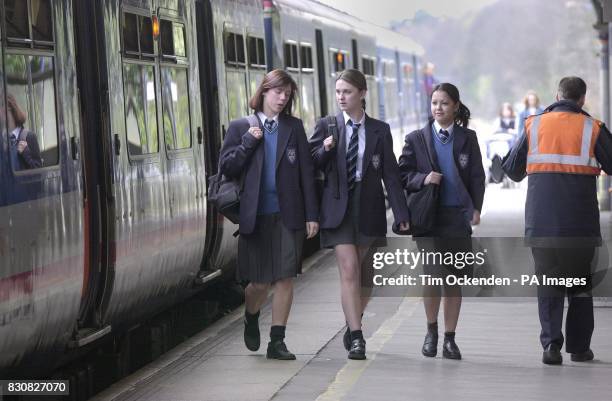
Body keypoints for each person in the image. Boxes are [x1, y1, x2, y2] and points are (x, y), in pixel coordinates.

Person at [503, 76, 612, 365]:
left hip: (542, 221)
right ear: (582, 99)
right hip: (580, 223)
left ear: (557, 95)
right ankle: (579, 348)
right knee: (579, 284)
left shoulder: (534, 124)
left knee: (549, 282)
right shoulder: (593, 127)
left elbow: (512, 171)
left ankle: (551, 346)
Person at [219, 69, 319, 360]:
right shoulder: (240, 127)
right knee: (259, 283)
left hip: (288, 216)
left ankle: (277, 341)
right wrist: (249, 142)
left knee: (285, 278)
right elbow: (227, 168)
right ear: (264, 91)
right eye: (278, 91)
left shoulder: (294, 127)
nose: (282, 97)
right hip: (255, 217)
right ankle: (251, 316)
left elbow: (306, 174)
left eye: (287, 94)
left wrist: (312, 214)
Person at [309, 69, 409, 360]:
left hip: (369, 206)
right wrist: (326, 149)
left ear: (362, 94)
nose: (341, 97)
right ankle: (357, 337)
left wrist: (401, 212)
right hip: (338, 206)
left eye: (347, 92)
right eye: (338, 91)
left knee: (367, 278)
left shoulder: (380, 130)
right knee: (349, 270)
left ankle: (353, 321)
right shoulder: (326, 126)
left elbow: (390, 174)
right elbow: (312, 163)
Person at [398, 83, 485, 360]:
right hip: (428, 219)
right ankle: (431, 330)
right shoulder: (416, 139)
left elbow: (476, 177)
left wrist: (475, 208)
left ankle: (450, 338)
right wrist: (423, 178)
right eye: (434, 103)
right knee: (433, 276)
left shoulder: (467, 138)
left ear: (456, 106)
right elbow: (402, 175)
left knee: (454, 279)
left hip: (457, 218)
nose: (438, 108)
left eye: (444, 103)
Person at [6, 94, 41, 170]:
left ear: (8, 108)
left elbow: (38, 171)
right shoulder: (3, 140)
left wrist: (26, 154)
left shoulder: (29, 136)